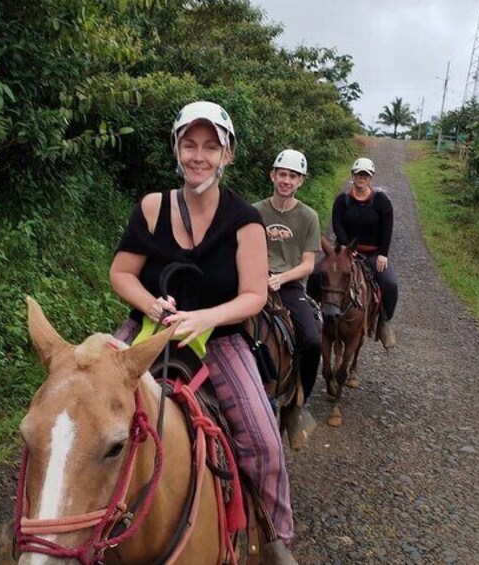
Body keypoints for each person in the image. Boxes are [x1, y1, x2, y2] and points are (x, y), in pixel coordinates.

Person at [110, 101, 298, 564]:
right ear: (176, 149)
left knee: (265, 443)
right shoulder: (153, 207)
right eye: (189, 144)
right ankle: (30, 529)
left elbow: (254, 295)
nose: (199, 156)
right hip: (148, 332)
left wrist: (206, 317)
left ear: (227, 155)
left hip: (219, 341)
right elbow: (121, 273)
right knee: (74, 407)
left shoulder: (244, 221)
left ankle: (276, 541)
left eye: (210, 147)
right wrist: (150, 302)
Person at [253, 149, 322, 401]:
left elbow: (308, 264)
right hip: (255, 281)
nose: (287, 180)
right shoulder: (254, 211)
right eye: (282, 174)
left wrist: (281, 278)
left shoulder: (309, 217)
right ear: (272, 176)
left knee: (313, 341)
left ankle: (299, 399)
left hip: (289, 286)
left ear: (301, 181)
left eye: (293, 176)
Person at [331, 157, 399, 349]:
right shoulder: (342, 200)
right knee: (319, 273)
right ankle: (315, 311)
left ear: (370, 178)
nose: (361, 178)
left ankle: (384, 320)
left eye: (365, 175)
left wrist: (383, 254)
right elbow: (337, 224)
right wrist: (346, 247)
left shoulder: (381, 201)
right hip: (345, 250)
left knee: (390, 284)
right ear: (352, 175)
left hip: (372, 253)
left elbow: (387, 229)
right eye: (358, 174)